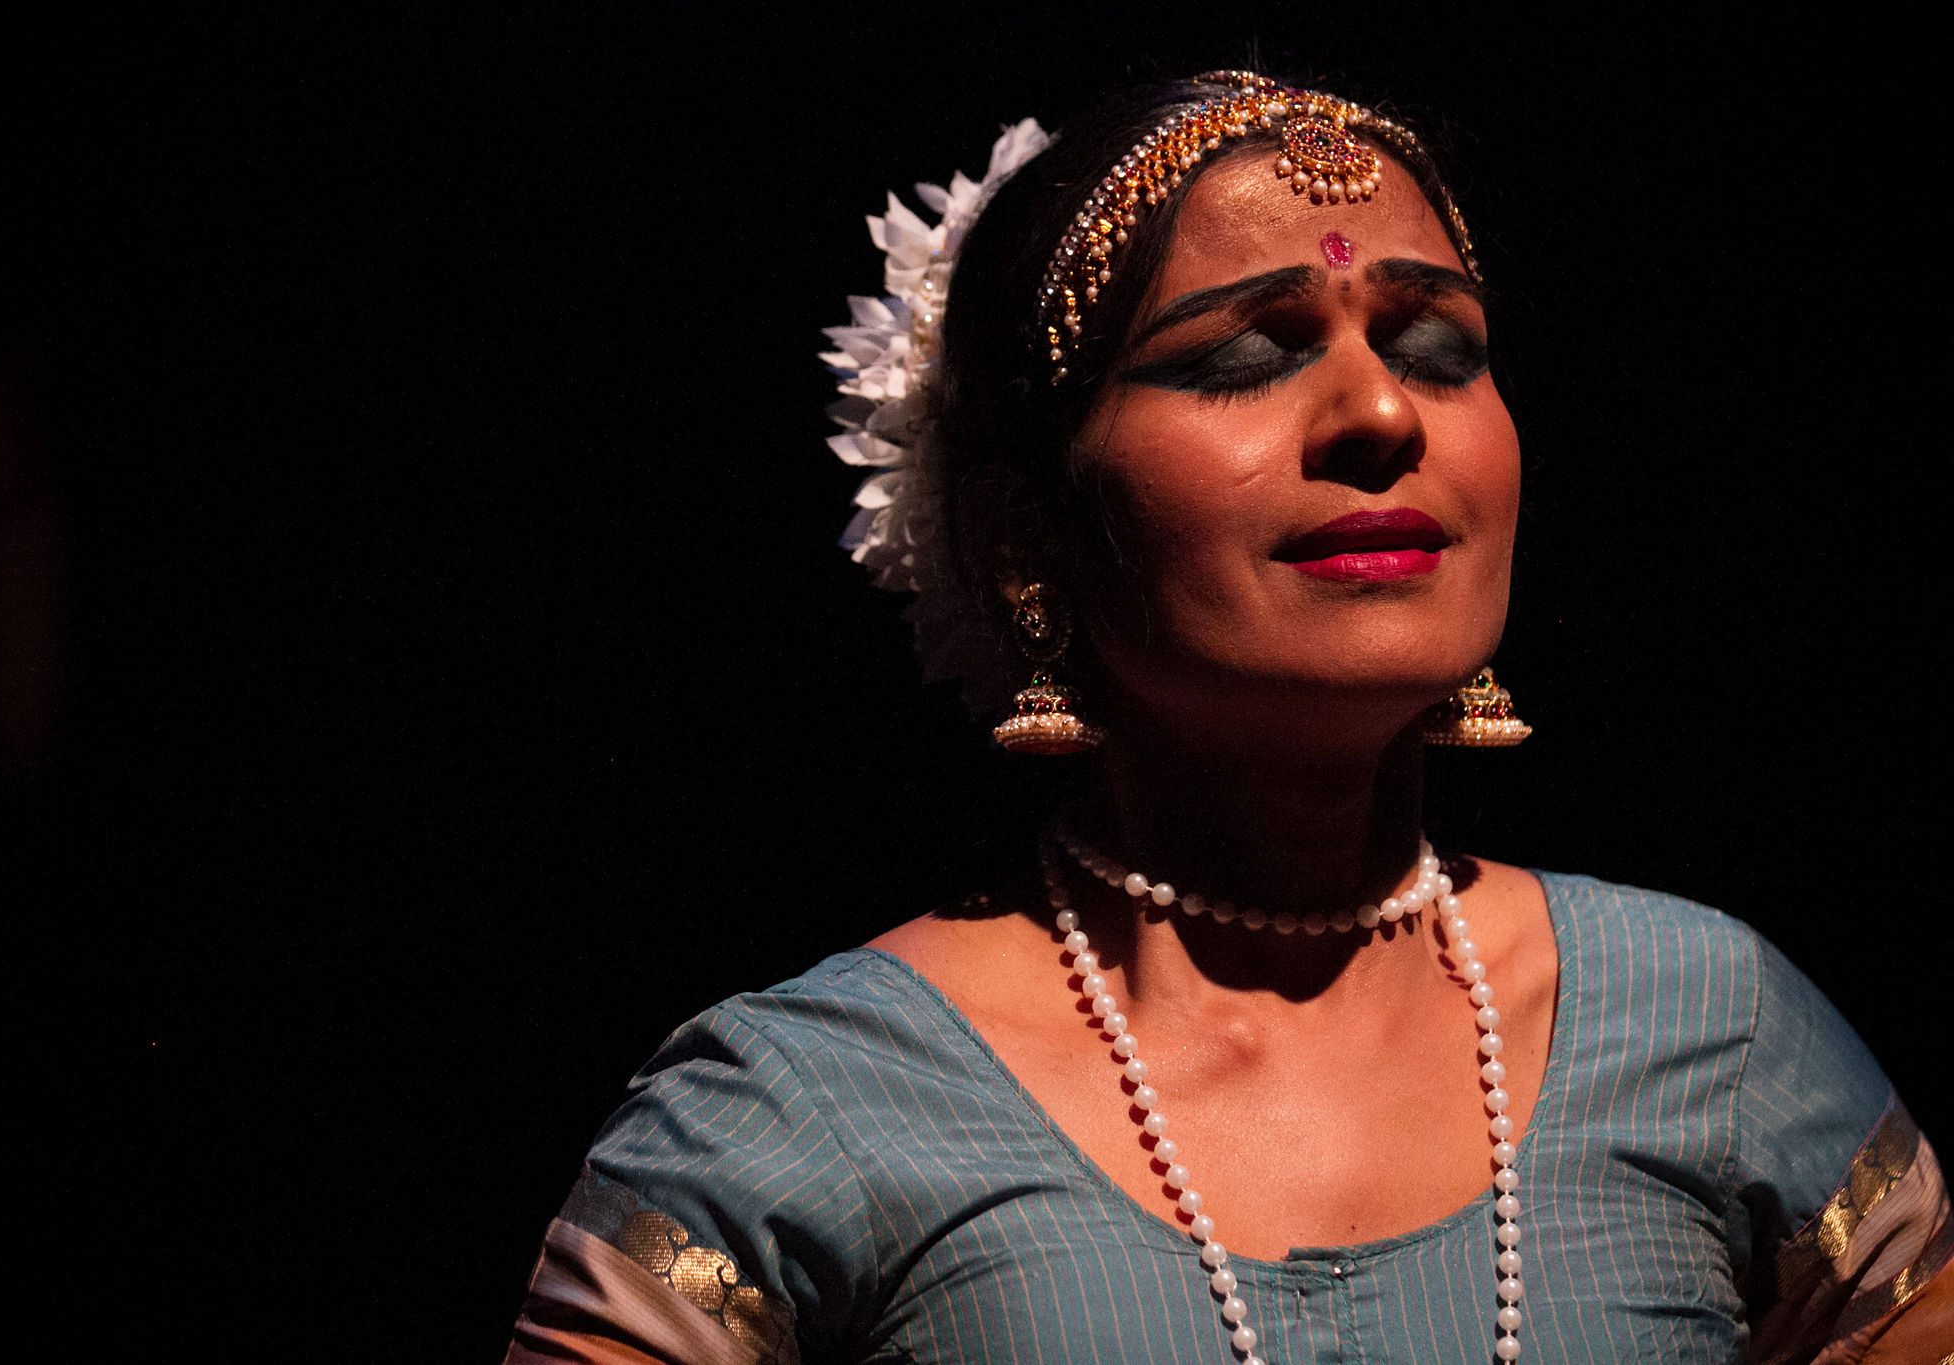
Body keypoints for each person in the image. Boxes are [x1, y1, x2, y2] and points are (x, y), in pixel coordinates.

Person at [504, 72, 1952, 1364]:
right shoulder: (814, 1105)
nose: (1382, 414)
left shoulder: (1712, 1030)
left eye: (1439, 346)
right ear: (1024, 535)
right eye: (1243, 358)